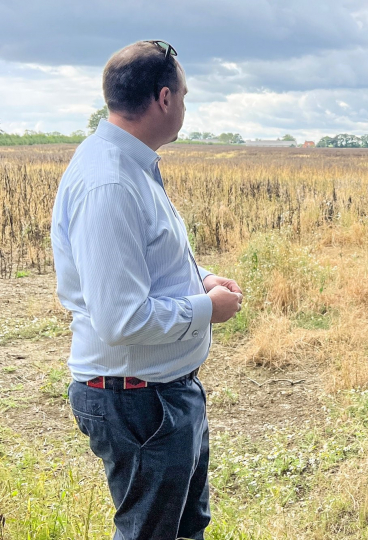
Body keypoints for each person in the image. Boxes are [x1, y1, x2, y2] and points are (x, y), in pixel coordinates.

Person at [51, 41, 244, 540]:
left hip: (158, 393)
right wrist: (207, 309)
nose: (185, 104)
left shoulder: (131, 166)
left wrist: (201, 279)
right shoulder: (109, 182)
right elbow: (121, 320)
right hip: (138, 402)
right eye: (184, 94)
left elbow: (145, 265)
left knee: (182, 529)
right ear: (163, 99)